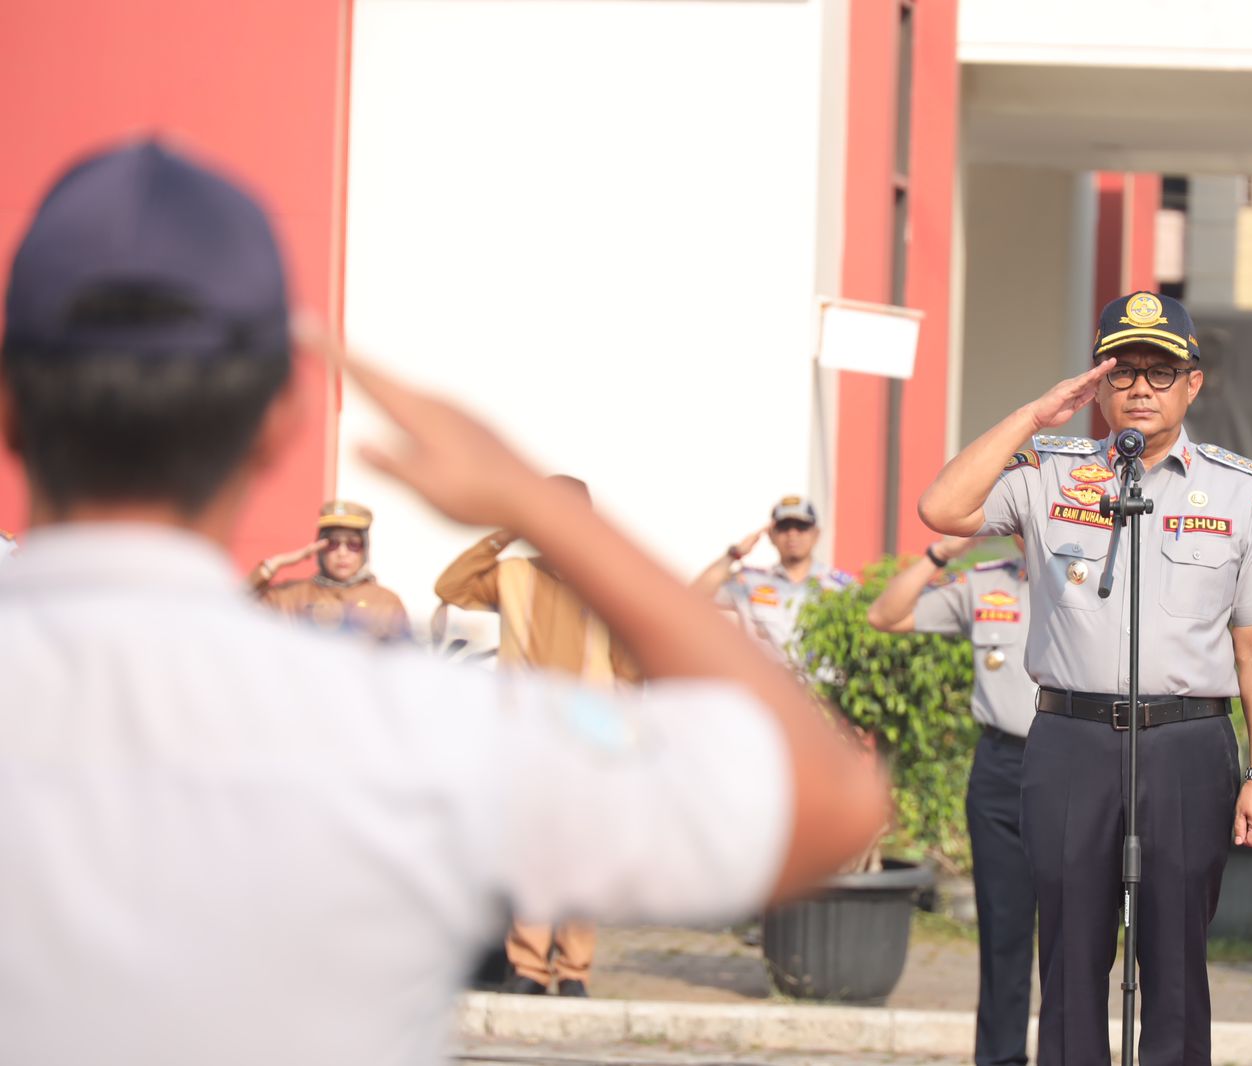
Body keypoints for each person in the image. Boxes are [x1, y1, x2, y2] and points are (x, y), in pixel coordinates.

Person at [0, 139, 887, 1066]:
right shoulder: (407, 724)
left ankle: (563, 967)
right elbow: (825, 799)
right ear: (279, 424)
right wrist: (529, 500)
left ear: (11, 404)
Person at [918, 291, 1252, 1066]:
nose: (1141, 389)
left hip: (1188, 744)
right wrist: (1033, 416)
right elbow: (942, 508)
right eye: (1123, 371)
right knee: (1069, 956)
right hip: (1071, 741)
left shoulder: (1238, 492)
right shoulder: (1049, 473)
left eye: (1162, 372)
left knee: (1176, 960)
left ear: (1193, 384)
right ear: (1097, 382)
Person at [435, 477, 641, 999]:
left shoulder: (608, 584)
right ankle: (528, 966)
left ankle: (573, 971)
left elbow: (628, 671)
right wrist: (506, 532)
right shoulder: (513, 573)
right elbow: (451, 587)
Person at [867, 534, 1035, 1066]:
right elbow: (885, 615)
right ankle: (1001, 1058)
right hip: (1002, 763)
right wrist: (941, 554)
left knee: (1076, 935)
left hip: (1077, 763)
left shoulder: (1101, 576)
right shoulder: (985, 584)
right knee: (1003, 930)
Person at [692, 496, 853, 665]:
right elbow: (696, 595)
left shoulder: (839, 586)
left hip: (818, 682)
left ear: (816, 534)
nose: (792, 534)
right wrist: (734, 554)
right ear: (771, 535)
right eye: (784, 527)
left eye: (801, 526)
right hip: (764, 681)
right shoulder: (750, 582)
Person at [248, 499, 412, 643]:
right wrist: (276, 563)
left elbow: (402, 660)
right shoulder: (290, 595)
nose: (342, 553)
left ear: (365, 549)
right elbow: (238, 610)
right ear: (320, 547)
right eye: (332, 544)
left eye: (353, 544)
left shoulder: (386, 602)